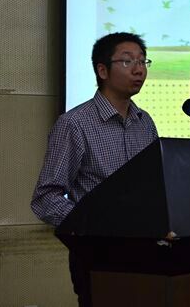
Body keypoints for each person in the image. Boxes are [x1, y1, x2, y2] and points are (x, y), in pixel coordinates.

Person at [31, 32, 158, 306]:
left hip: (146, 251)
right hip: (98, 255)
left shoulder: (144, 122)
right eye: (127, 61)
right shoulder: (74, 123)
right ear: (102, 70)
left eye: (142, 61)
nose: (138, 69)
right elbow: (46, 198)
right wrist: (91, 226)